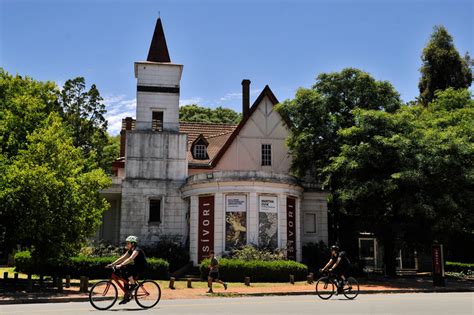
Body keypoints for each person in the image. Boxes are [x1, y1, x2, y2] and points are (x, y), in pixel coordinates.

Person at [107, 235, 147, 304]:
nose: (126, 244)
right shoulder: (130, 250)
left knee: (127, 268)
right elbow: (122, 258)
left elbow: (130, 259)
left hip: (141, 267)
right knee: (124, 278)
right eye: (127, 243)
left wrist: (121, 265)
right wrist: (112, 264)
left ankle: (133, 284)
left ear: (133, 244)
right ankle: (127, 296)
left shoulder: (136, 250)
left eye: (128, 243)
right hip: (135, 266)